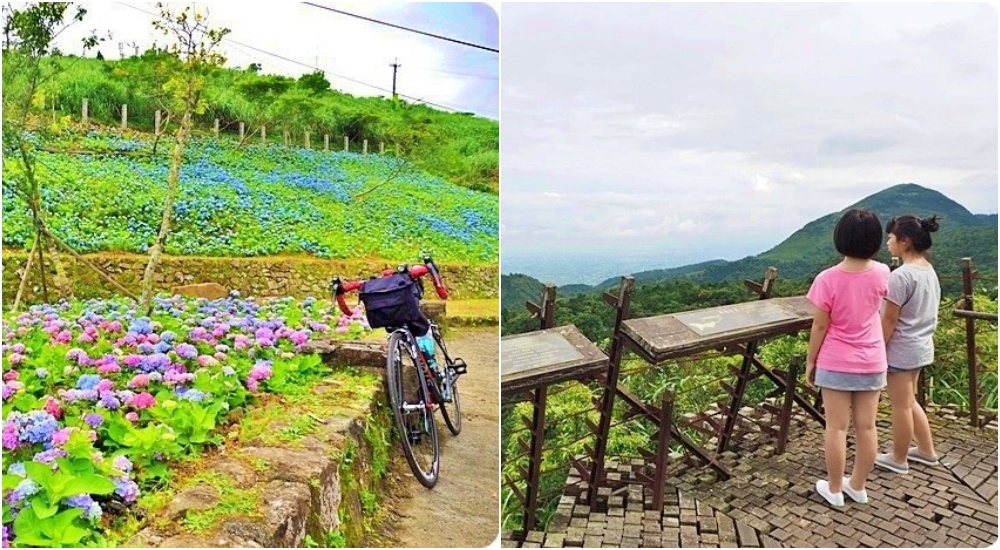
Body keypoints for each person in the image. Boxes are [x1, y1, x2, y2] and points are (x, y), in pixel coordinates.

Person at [805, 208, 890, 507]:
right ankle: (858, 486)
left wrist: (810, 361)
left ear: (839, 237)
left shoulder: (827, 279)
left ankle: (834, 489)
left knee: (836, 427)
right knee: (867, 427)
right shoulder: (882, 272)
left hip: (836, 360)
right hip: (872, 360)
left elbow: (819, 325)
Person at [875, 215, 942, 474]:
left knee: (900, 405)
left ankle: (898, 458)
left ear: (905, 242)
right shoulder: (928, 269)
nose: (888, 242)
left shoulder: (900, 276)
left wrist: (878, 349)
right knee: (909, 401)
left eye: (891, 238)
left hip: (902, 349)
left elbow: (890, 319)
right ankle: (926, 451)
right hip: (921, 346)